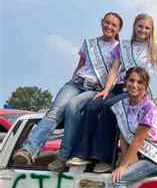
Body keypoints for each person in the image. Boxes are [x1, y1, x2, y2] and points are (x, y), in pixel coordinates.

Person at [12, 12, 124, 170]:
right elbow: (80, 66)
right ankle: (27, 150)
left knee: (72, 106)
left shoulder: (119, 48)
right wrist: (72, 82)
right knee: (55, 112)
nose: (109, 27)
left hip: (96, 89)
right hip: (76, 83)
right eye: (107, 22)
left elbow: (114, 70)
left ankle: (64, 157)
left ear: (119, 30)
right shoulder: (89, 43)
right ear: (102, 23)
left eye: (114, 25)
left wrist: (107, 89)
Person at [66, 13, 157, 173]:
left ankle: (103, 158)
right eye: (140, 26)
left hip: (137, 91)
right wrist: (106, 89)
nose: (143, 30)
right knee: (92, 106)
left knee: (109, 107)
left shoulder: (154, 45)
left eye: (146, 28)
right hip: (119, 86)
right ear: (134, 27)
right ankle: (82, 154)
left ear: (151, 30)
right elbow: (114, 69)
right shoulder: (123, 45)